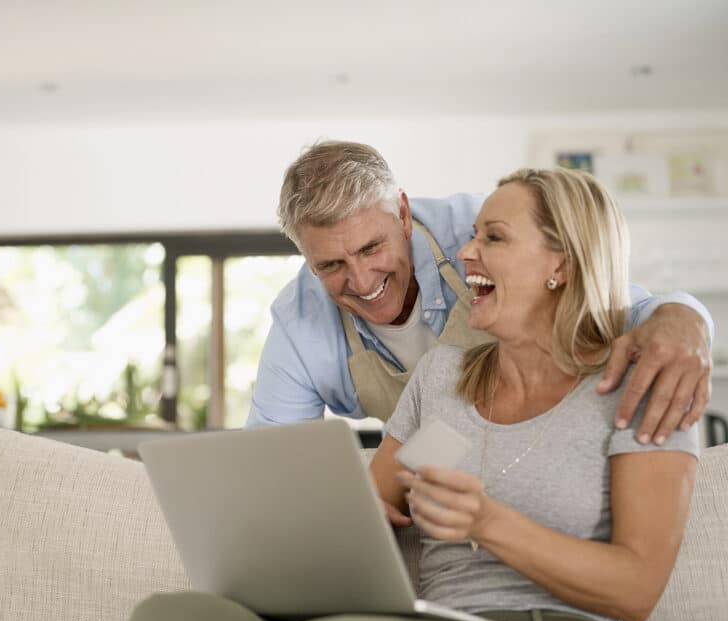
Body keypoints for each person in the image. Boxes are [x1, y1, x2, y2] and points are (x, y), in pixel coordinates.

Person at [113, 167, 699, 621]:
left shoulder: (645, 383)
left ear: (560, 265)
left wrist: (488, 522)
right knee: (175, 620)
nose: (466, 252)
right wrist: (341, 525)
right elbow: (370, 507)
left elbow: (637, 589)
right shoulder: (443, 378)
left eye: (492, 237)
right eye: (473, 235)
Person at [247, 141, 713, 453]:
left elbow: (609, 305)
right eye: (330, 265)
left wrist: (682, 317)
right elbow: (273, 465)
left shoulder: (483, 230)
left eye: (372, 247)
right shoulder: (301, 322)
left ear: (403, 214)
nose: (362, 278)